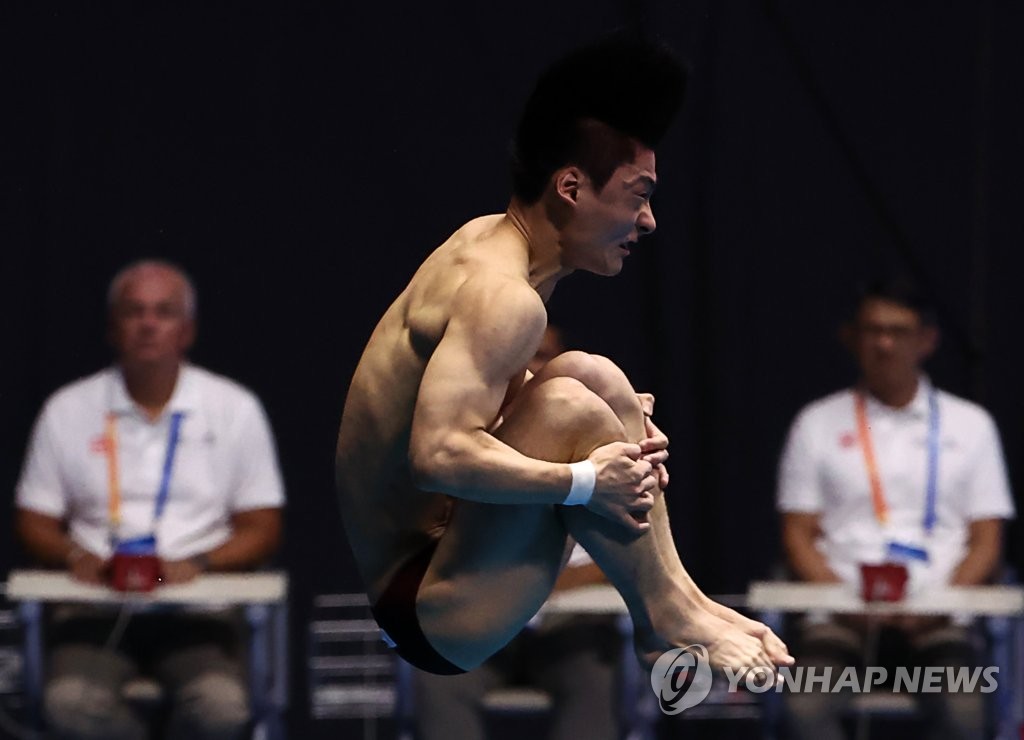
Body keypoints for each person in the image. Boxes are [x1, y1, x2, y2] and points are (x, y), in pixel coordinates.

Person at [335, 35, 792, 682]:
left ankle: (679, 599)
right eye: (638, 195)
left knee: (594, 378)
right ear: (571, 187)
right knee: (575, 400)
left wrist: (616, 417)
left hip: (455, 547)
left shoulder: (486, 241)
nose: (649, 221)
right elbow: (435, 454)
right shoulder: (507, 299)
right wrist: (584, 479)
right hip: (427, 603)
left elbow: (470, 394)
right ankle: (663, 617)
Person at [15, 260, 285, 740]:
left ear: (187, 330)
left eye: (163, 312)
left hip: (197, 610)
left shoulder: (234, 409)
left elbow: (263, 525)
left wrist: (200, 562)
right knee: (69, 706)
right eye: (134, 311)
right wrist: (74, 556)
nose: (147, 323)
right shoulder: (68, 409)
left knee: (220, 709)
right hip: (95, 608)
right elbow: (34, 519)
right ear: (112, 327)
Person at [776, 276, 1015, 739]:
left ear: (927, 340)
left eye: (899, 331)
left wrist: (937, 605)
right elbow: (797, 535)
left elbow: (987, 540)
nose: (885, 344)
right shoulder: (817, 423)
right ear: (852, 338)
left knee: (967, 715)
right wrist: (844, 603)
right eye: (873, 330)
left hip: (940, 619)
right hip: (840, 619)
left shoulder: (972, 426)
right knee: (803, 708)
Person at [412, 326, 623, 740]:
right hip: (480, 620)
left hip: (567, 626)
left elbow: (621, 546)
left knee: (596, 679)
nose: (531, 368)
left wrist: (523, 585)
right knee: (436, 674)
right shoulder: (458, 436)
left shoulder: (602, 434)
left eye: (543, 356)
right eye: (519, 357)